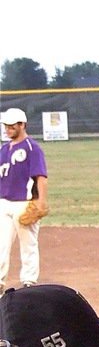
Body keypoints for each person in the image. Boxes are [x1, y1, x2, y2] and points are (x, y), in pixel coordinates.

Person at [0, 108, 49, 293]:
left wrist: (41, 202)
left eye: (12, 125)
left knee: (28, 244)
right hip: (3, 203)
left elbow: (41, 177)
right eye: (6, 125)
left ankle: (29, 281)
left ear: (22, 125)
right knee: (1, 244)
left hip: (25, 202)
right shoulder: (4, 149)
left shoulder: (32, 148)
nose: (8, 129)